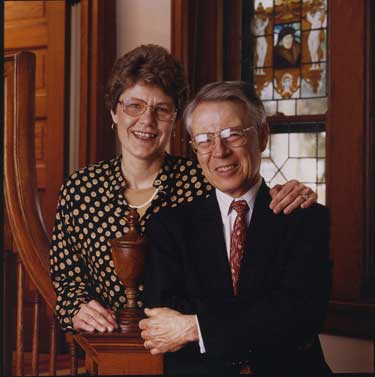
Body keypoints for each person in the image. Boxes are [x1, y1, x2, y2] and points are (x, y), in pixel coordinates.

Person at [49, 45, 317, 333]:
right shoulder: (80, 190)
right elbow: (66, 281)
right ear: (114, 112)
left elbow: (252, 222)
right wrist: (76, 308)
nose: (147, 121)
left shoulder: (205, 180)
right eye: (134, 106)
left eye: (161, 109)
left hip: (196, 350)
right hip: (113, 346)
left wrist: (292, 194)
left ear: (176, 120)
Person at [140, 81, 332, 376]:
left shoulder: (305, 219)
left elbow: (298, 318)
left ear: (263, 135)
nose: (219, 151)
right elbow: (162, 320)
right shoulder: (168, 226)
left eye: (233, 134)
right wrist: (257, 319)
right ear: (194, 148)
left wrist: (196, 328)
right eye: (204, 139)